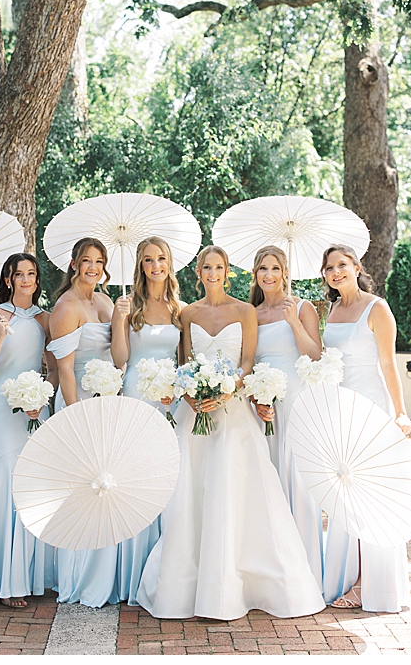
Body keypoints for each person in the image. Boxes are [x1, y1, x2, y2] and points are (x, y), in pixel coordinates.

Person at [136, 245, 326, 621]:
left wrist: (227, 388)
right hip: (197, 416)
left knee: (235, 489)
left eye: (219, 267)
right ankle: (187, 583)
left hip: (235, 410)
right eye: (206, 267)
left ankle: (241, 581)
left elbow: (248, 361)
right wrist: (191, 395)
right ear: (199, 273)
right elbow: (186, 362)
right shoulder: (186, 313)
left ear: (228, 272)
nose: (212, 273)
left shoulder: (245, 311)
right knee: (193, 492)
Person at [320, 244, 411, 613]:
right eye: (329, 268)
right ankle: (348, 576)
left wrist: (402, 413)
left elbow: (389, 365)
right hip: (340, 412)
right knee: (346, 500)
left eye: (342, 265)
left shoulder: (377, 308)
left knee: (371, 498)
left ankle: (370, 584)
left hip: (372, 409)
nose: (336, 272)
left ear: (357, 267)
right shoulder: (331, 310)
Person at [0, 252, 57, 608]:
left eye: (31, 274)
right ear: (8, 280)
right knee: (5, 483)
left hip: (34, 411)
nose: (25, 280)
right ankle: (2, 580)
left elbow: (51, 370)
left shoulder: (46, 319)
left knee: (31, 488)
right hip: (1, 414)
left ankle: (29, 576)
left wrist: (42, 398)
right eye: (18, 274)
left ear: (37, 280)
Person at [110, 236, 184, 604]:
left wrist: (178, 390)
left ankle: (162, 570)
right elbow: (120, 358)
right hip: (137, 396)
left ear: (169, 263)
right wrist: (120, 319)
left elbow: (184, 361)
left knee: (166, 481)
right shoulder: (127, 305)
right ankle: (132, 572)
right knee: (136, 480)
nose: (156, 266)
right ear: (140, 265)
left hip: (169, 402)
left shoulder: (178, 308)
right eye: (149, 260)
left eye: (161, 259)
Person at [47, 237, 119, 607]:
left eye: (99, 261)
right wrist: (76, 418)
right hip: (79, 404)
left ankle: (104, 574)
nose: (93, 267)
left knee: (106, 489)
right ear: (73, 263)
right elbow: (65, 370)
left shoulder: (104, 301)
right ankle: (77, 578)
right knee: (82, 491)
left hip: (106, 402)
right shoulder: (66, 306)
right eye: (87, 260)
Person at [250, 245, 325, 590]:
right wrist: (255, 397)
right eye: (262, 268)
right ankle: (277, 568)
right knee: (269, 482)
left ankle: (308, 571)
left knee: (297, 481)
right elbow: (247, 363)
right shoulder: (250, 314)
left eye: (275, 268)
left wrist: (293, 322)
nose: (268, 275)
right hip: (265, 406)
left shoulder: (303, 307)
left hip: (296, 401)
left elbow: (314, 355)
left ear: (284, 272)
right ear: (255, 274)